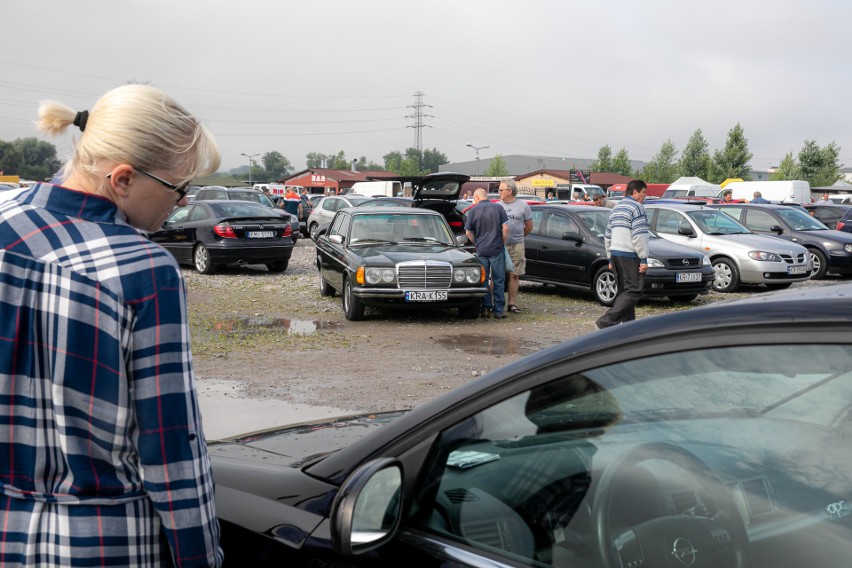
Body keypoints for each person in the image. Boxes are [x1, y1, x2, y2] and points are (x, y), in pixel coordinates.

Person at [0, 84, 223, 566]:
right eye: (177, 187)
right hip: (102, 543)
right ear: (122, 179)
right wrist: (200, 555)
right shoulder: (144, 270)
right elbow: (169, 446)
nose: (181, 202)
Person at [596, 179, 650, 329]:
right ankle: (607, 320)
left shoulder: (616, 208)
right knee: (634, 291)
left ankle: (628, 328)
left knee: (624, 292)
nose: (645, 196)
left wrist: (610, 257)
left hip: (616, 253)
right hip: (631, 255)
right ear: (635, 192)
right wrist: (644, 259)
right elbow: (640, 235)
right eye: (644, 192)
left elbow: (608, 235)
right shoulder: (638, 208)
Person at [465, 188, 509, 318]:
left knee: (483, 281)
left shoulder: (473, 210)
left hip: (482, 250)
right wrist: (503, 243)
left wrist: (476, 243)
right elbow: (505, 228)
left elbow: (468, 232)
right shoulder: (498, 208)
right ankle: (499, 311)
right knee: (499, 280)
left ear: (477, 197)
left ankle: (485, 309)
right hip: (496, 249)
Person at [499, 180, 533, 314]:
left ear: (510, 191)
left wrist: (520, 237)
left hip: (517, 245)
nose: (499, 192)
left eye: (501, 190)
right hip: (500, 246)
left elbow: (529, 226)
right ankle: (494, 303)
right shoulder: (497, 206)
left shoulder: (523, 206)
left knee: (514, 275)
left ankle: (511, 303)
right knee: (497, 275)